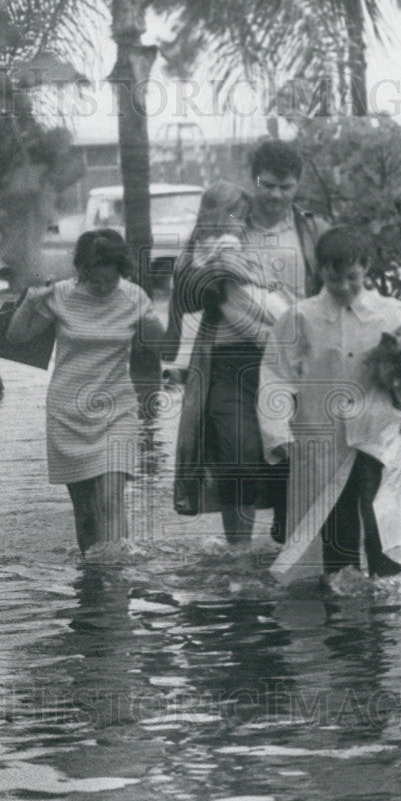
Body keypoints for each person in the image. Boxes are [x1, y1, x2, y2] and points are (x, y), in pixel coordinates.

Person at [164, 141, 328, 544]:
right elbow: (183, 291)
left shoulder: (312, 230)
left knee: (290, 456)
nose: (274, 194)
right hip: (229, 357)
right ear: (253, 179)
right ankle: (236, 558)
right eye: (267, 184)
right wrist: (212, 273)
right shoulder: (226, 218)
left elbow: (336, 292)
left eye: (285, 187)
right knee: (236, 454)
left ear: (298, 186)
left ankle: (287, 541)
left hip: (292, 360)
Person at [257, 224, 401, 584]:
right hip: (322, 438)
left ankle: (388, 599)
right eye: (335, 280)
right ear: (320, 271)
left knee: (379, 514)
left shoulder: (392, 315)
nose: (344, 287)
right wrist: (277, 432)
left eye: (352, 278)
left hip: (375, 435)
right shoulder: (298, 317)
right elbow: (275, 376)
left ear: (366, 268)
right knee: (335, 526)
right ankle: (342, 605)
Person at [7, 229, 165, 554]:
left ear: (121, 271)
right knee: (87, 517)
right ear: (83, 270)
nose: (104, 288)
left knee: (110, 500)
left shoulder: (134, 297)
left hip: (116, 410)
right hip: (68, 413)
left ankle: (117, 585)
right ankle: (94, 588)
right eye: (96, 281)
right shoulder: (61, 295)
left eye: (111, 281)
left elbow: (164, 344)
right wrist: (31, 301)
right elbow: (16, 338)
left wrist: (157, 321)